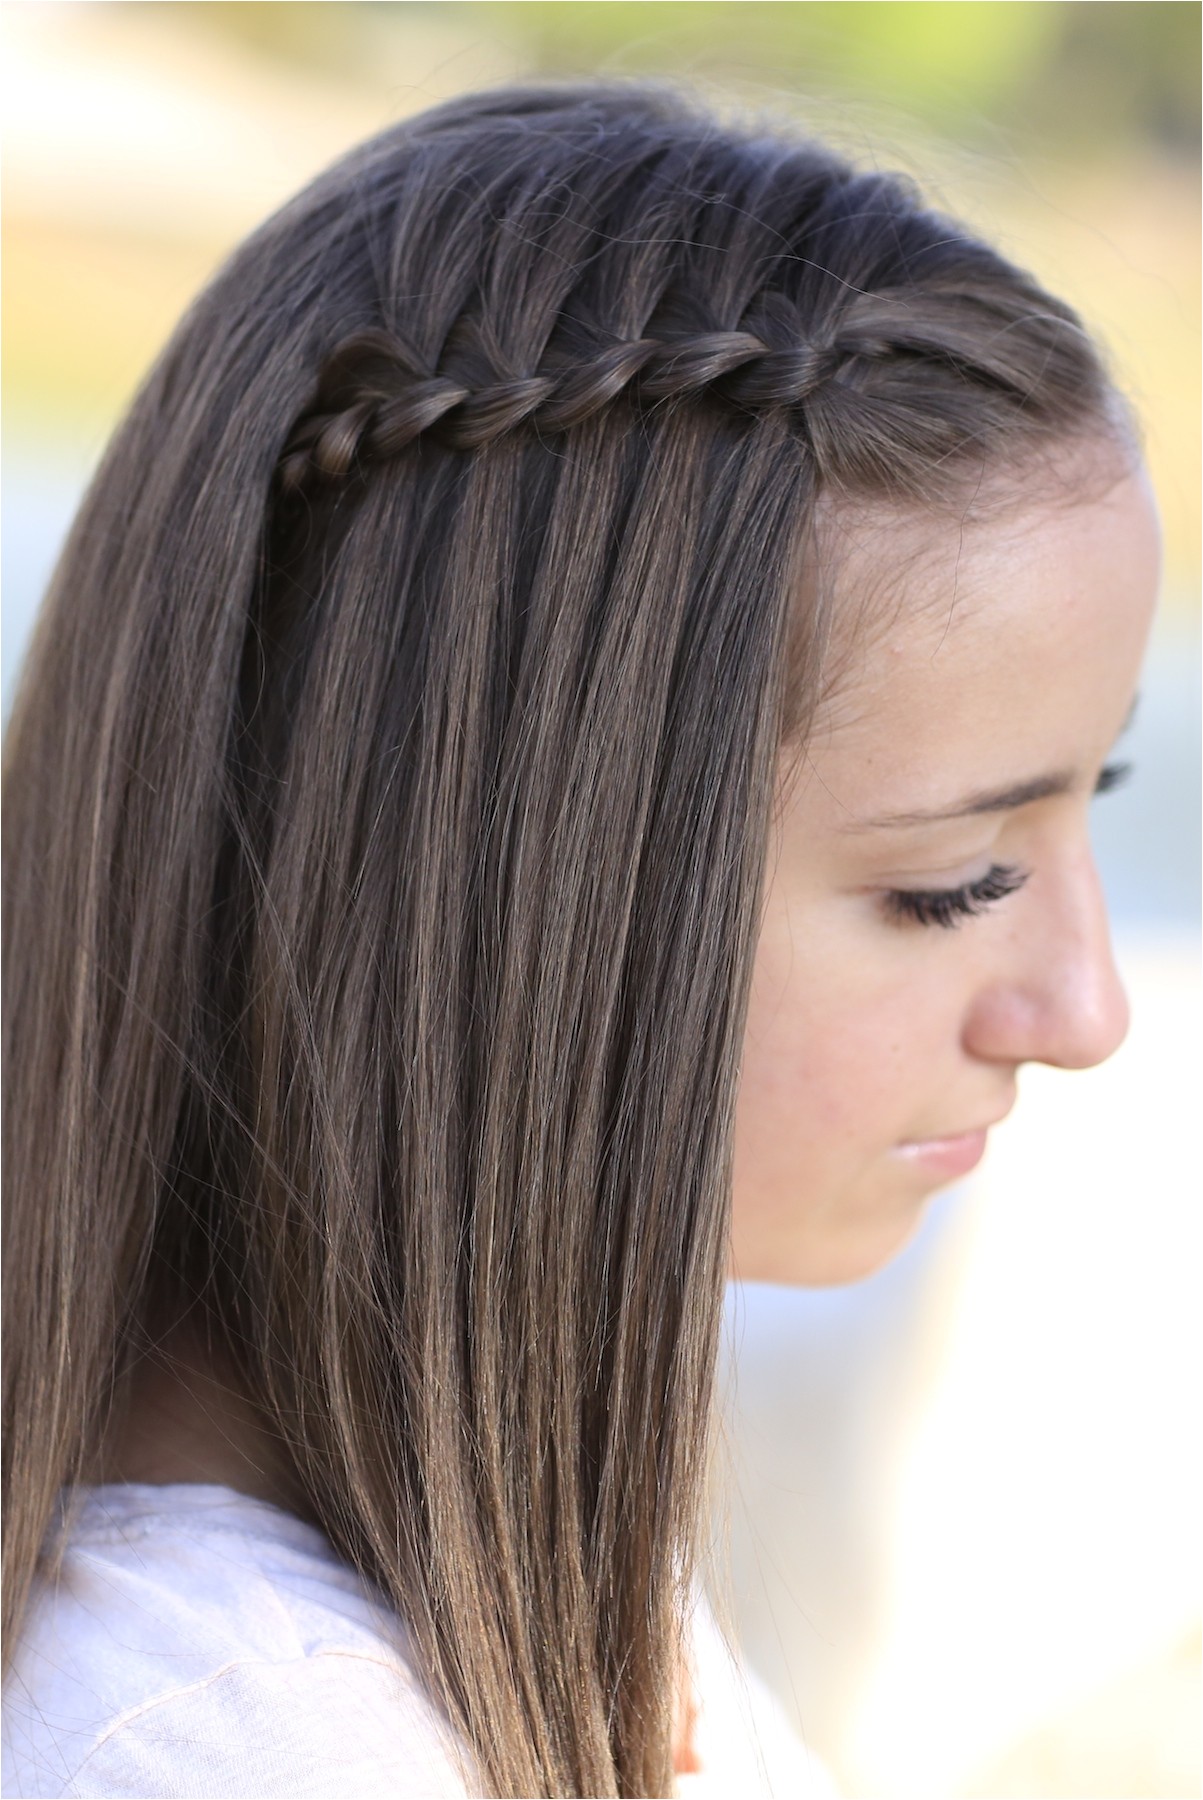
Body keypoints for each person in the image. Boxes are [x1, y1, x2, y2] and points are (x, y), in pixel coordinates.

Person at [0, 80, 1159, 1800]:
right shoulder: (237, 1750)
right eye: (957, 881)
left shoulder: (463, 1574)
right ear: (492, 897)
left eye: (1096, 794)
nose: (1085, 1010)